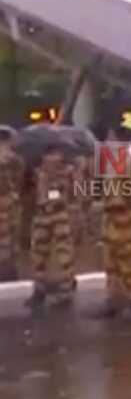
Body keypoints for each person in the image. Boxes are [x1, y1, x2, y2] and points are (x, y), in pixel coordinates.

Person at [27, 144, 76, 309]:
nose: (51, 159)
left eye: (54, 155)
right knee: (39, 253)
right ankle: (39, 289)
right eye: (48, 155)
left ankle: (65, 291)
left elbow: (66, 193)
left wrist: (49, 194)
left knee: (63, 255)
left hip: (58, 214)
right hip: (41, 215)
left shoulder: (66, 171)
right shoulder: (38, 171)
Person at [99, 157, 131, 318]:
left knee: (129, 261)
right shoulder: (109, 164)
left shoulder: (130, 164)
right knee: (111, 263)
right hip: (111, 218)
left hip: (124, 216)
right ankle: (115, 299)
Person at [0, 130, 24, 281]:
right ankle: (8, 273)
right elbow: (20, 179)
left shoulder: (13, 160)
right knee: (9, 242)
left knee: (7, 241)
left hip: (9, 204)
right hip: (11, 203)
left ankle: (7, 273)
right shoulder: (15, 159)